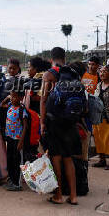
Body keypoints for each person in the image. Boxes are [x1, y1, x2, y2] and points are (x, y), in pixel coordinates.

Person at [40, 47, 81, 205]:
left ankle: (58, 195)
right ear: (64, 57)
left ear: (52, 58)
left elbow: (44, 99)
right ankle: (73, 195)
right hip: (71, 120)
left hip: (54, 120)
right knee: (68, 158)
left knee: (56, 157)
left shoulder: (49, 74)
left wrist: (43, 123)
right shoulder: (73, 72)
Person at [0, 82, 26, 191]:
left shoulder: (22, 110)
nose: (12, 99)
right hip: (10, 138)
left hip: (17, 139)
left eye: (15, 96)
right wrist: (8, 97)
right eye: (12, 96)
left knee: (17, 161)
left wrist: (21, 141)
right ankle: (11, 179)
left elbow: (25, 127)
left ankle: (17, 183)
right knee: (10, 159)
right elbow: (1, 105)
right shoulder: (10, 106)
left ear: (21, 98)